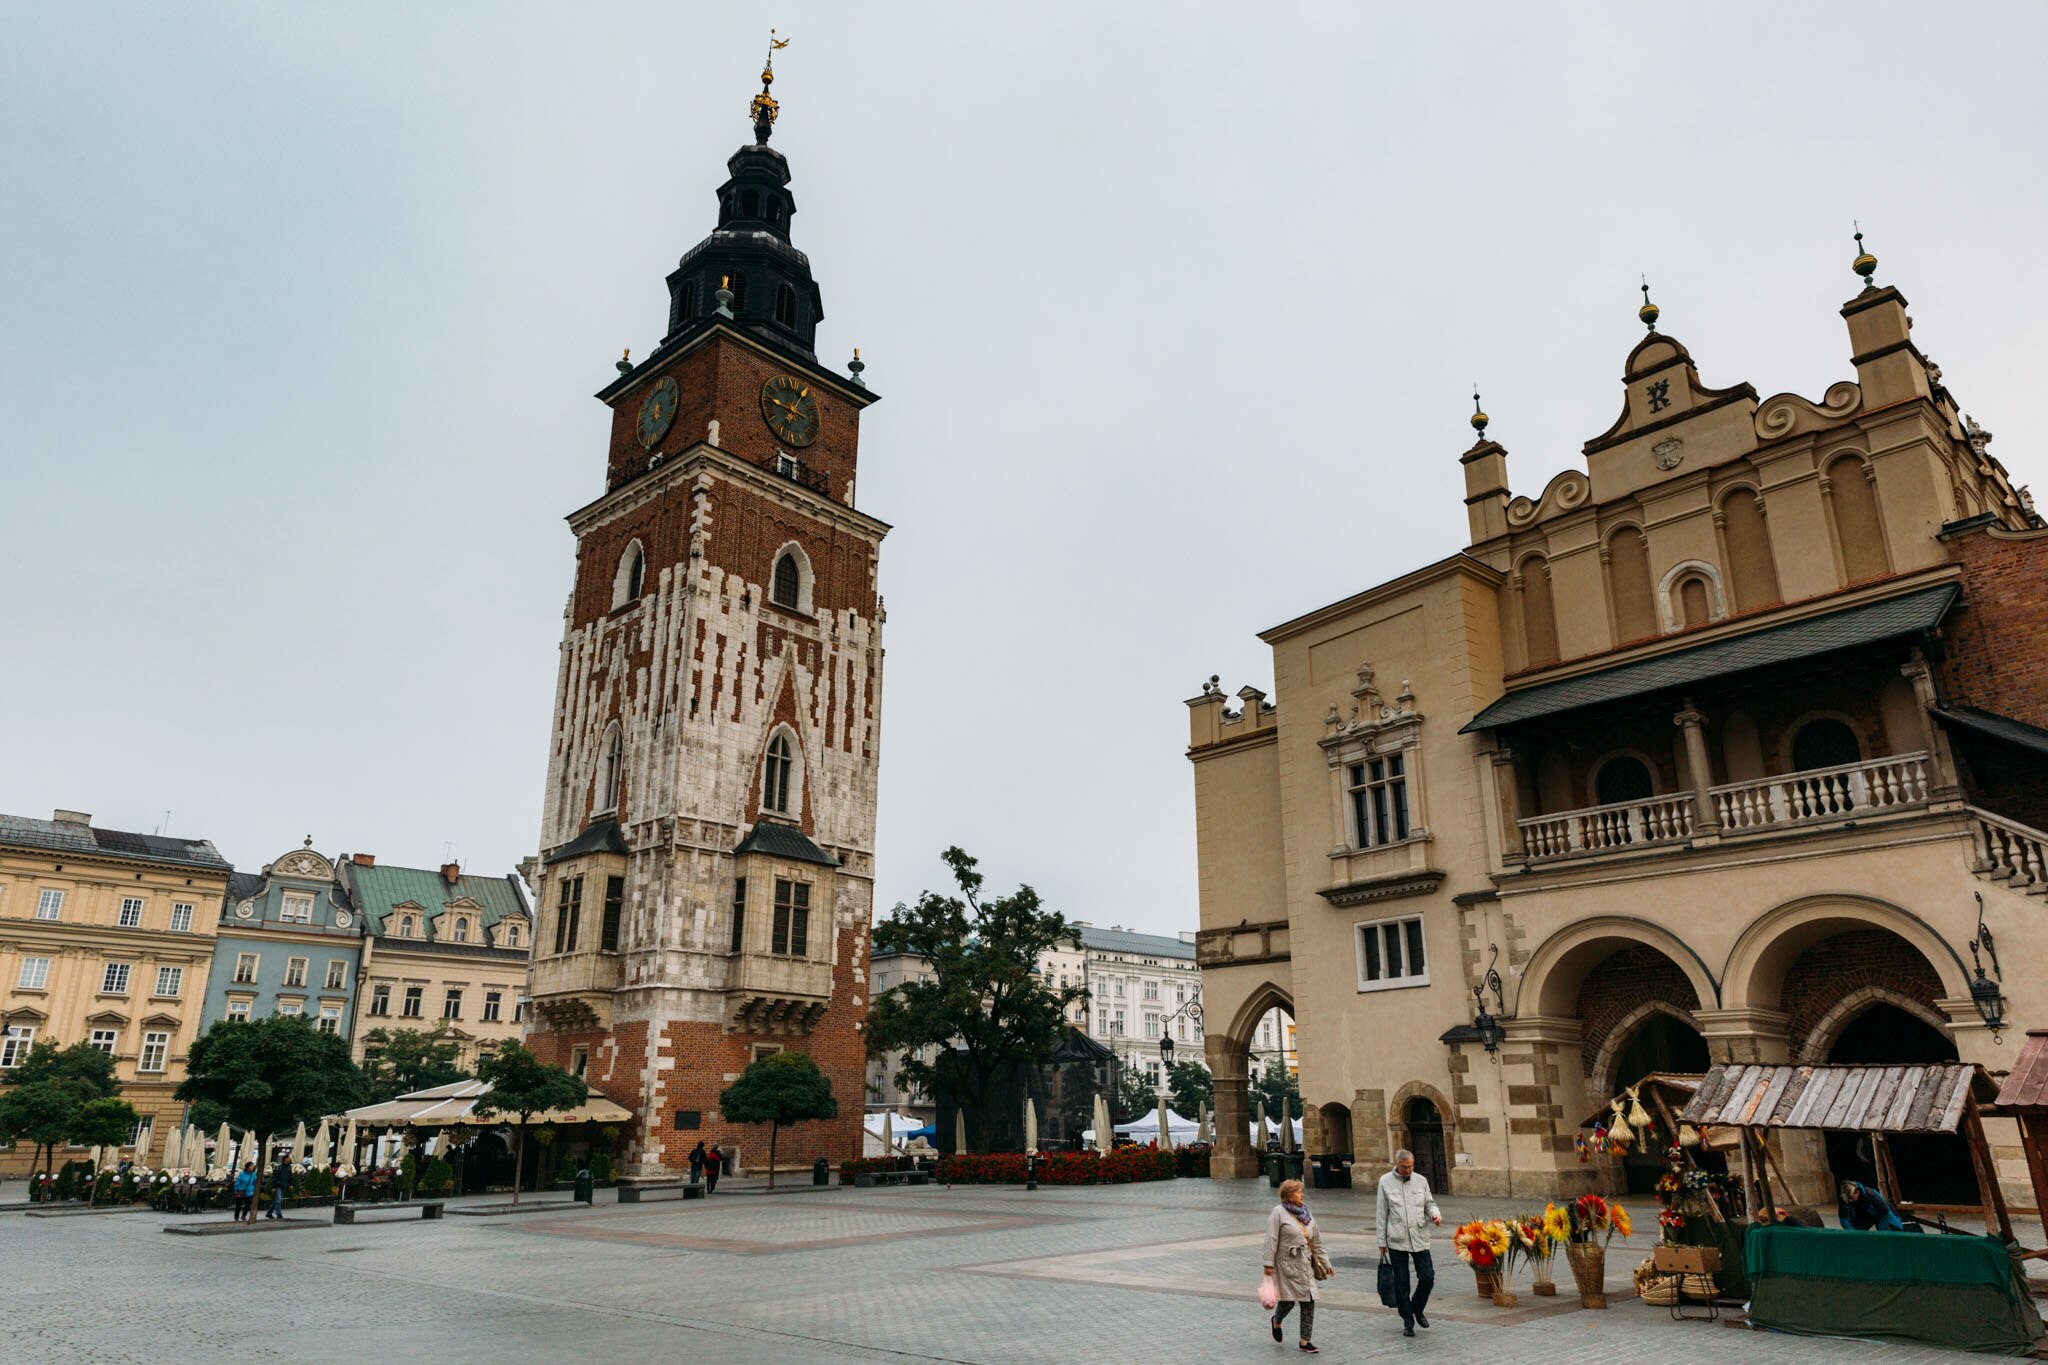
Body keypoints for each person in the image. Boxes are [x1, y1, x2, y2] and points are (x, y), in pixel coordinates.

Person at [1375, 1148, 1442, 1338]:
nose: (1408, 1170)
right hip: (1397, 1239)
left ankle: (1417, 1308)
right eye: (1404, 1167)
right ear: (1396, 1165)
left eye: (1411, 1166)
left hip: (1419, 1235)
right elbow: (1382, 1213)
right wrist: (1381, 1240)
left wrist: (1435, 1214)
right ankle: (1408, 1320)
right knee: (1402, 1283)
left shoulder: (1421, 1180)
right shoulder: (1385, 1182)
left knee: (1427, 1277)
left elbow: (1429, 1203)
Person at [1263, 1177, 1325, 1354]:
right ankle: (1277, 1321)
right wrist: (1268, 1264)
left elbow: (1317, 1240)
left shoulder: (1306, 1213)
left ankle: (1305, 1341)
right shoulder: (1278, 1213)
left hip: (1305, 1264)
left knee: (1309, 1300)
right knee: (1288, 1301)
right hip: (1287, 1265)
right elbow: (1271, 1239)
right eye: (1298, 1192)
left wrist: (1325, 1263)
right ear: (1289, 1196)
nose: (1302, 1194)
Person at [1838, 1179, 1909, 1231]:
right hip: (1863, 1216)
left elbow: (1886, 1214)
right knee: (1855, 1234)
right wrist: (1851, 1233)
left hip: (1882, 1215)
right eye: (1847, 1199)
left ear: (1857, 1192)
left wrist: (1882, 1233)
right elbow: (1844, 1219)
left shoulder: (1871, 1195)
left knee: (1892, 1231)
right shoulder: (1845, 1198)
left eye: (1851, 1198)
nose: (1850, 1201)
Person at [268, 1152, 292, 1220]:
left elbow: (290, 1176)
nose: (290, 1159)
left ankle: (269, 1213)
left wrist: (291, 1184)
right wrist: (273, 1187)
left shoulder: (289, 1167)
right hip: (278, 1186)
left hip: (284, 1185)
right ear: (285, 1159)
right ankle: (279, 1214)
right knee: (278, 1200)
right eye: (288, 1158)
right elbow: (274, 1178)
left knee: (276, 1200)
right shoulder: (279, 1167)